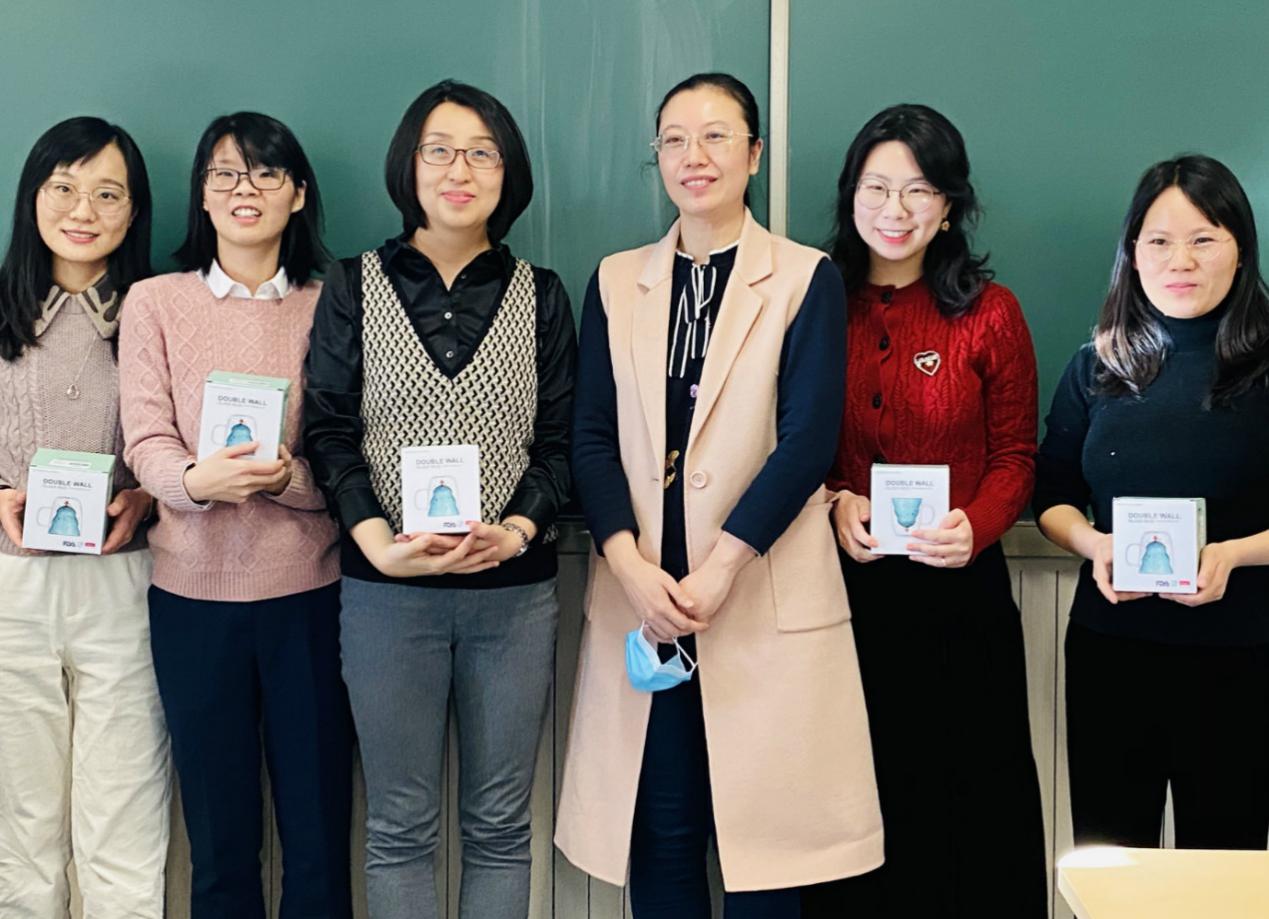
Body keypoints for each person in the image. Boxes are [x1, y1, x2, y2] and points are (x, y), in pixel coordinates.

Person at [556, 72, 882, 919]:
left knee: (764, 851)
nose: (692, 156)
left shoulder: (805, 278)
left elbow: (806, 442)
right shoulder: (615, 280)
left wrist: (721, 567)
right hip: (645, 600)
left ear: (754, 153)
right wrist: (629, 566)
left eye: (715, 136)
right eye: (673, 139)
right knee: (660, 832)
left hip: (754, 588)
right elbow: (590, 436)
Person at [303, 80, 575, 919]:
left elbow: (561, 442)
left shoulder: (542, 293)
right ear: (408, 165)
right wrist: (376, 542)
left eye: (482, 153)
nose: (460, 170)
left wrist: (519, 529)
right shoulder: (352, 285)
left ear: (508, 172)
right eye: (440, 150)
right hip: (386, 594)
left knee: (499, 825)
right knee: (398, 826)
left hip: (513, 597)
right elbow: (328, 430)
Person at [809, 103, 1047, 918]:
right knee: (858, 809)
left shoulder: (990, 311)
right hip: (844, 599)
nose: (895, 209)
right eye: (876, 188)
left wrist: (975, 525)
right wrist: (833, 501)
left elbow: (1016, 455)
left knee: (968, 813)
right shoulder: (815, 305)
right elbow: (783, 443)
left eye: (918, 190)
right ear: (850, 196)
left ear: (948, 205)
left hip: (959, 600)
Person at [119, 112, 352, 919]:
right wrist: (193, 480)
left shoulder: (332, 305)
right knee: (219, 843)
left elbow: (346, 449)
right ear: (202, 194)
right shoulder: (154, 302)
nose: (243, 189)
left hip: (310, 596)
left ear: (298, 194)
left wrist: (287, 479)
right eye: (224, 173)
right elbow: (145, 437)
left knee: (317, 834)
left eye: (265, 173)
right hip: (191, 600)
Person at [1035, 154, 1269, 850]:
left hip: (1241, 656)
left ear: (1239, 248)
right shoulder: (1096, 364)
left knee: (1224, 864)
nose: (1180, 260)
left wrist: (1234, 555)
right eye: (1159, 240)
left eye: (1204, 239)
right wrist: (1094, 543)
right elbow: (1052, 496)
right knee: (1111, 859)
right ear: (1132, 253)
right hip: (1111, 653)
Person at [0, 115, 167, 919]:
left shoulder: (157, 311)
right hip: (12, 588)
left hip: (124, 581)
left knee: (122, 811)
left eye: (107, 194)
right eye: (63, 187)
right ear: (32, 195)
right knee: (21, 814)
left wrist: (147, 495)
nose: (82, 210)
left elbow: (188, 439)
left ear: (134, 212)